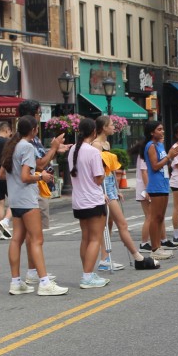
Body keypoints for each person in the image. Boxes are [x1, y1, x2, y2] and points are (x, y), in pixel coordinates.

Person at [2, 116, 68, 297]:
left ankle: (16, 282)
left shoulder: (12, 146)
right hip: (27, 199)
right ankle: (44, 282)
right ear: (33, 130)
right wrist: (41, 177)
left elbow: (2, 174)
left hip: (15, 199)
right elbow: (25, 176)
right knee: (37, 240)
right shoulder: (27, 147)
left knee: (16, 240)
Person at [94, 116, 158, 271]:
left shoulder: (107, 144)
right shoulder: (96, 145)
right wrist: (101, 191)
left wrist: (116, 189)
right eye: (111, 125)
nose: (113, 127)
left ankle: (105, 258)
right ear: (104, 127)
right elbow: (97, 170)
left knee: (109, 224)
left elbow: (111, 168)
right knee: (121, 223)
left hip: (110, 184)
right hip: (103, 186)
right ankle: (137, 257)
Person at [18, 100, 66, 284]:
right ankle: (38, 275)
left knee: (29, 236)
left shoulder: (26, 140)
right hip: (33, 189)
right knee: (35, 236)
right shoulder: (28, 141)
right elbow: (38, 164)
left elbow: (40, 158)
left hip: (30, 191)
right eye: (39, 113)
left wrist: (55, 150)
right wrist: (53, 148)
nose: (40, 117)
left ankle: (33, 272)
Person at [67, 117, 111, 289]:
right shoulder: (93, 152)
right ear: (93, 132)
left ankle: (88, 272)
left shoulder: (73, 149)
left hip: (79, 200)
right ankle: (87, 276)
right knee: (95, 239)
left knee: (85, 237)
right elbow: (98, 178)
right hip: (93, 199)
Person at [142, 120, 178, 254]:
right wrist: (169, 156)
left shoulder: (160, 145)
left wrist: (171, 157)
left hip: (164, 183)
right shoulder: (151, 146)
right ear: (152, 133)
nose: (162, 131)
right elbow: (155, 166)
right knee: (155, 217)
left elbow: (164, 163)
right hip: (156, 184)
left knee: (161, 217)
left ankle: (159, 245)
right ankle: (154, 248)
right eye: (159, 129)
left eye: (162, 129)